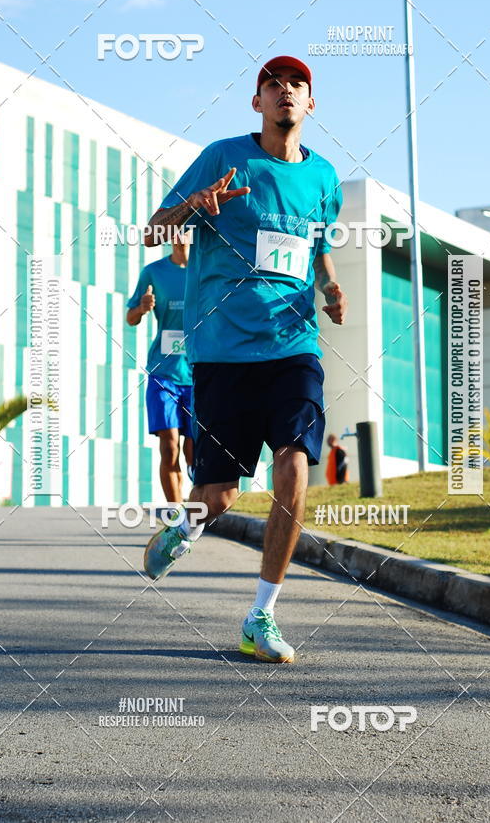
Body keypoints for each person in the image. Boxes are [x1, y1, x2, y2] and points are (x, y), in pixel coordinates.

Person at [143, 55, 347, 663]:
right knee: (221, 494)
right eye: (272, 85)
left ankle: (262, 615)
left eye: (297, 85)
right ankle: (186, 526)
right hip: (223, 352)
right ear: (256, 103)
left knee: (294, 464)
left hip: (293, 345)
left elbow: (317, 249)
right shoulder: (223, 156)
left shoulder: (325, 178)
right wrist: (196, 206)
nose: (285, 91)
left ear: (311, 105)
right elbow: (154, 229)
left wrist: (331, 285)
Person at [127, 235, 193, 503]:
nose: (179, 238)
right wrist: (142, 309)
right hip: (163, 373)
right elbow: (130, 317)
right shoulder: (153, 272)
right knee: (169, 446)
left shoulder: (206, 269)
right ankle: (176, 516)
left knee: (193, 451)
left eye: (185, 231)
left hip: (198, 374)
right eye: (174, 231)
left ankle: (198, 499)